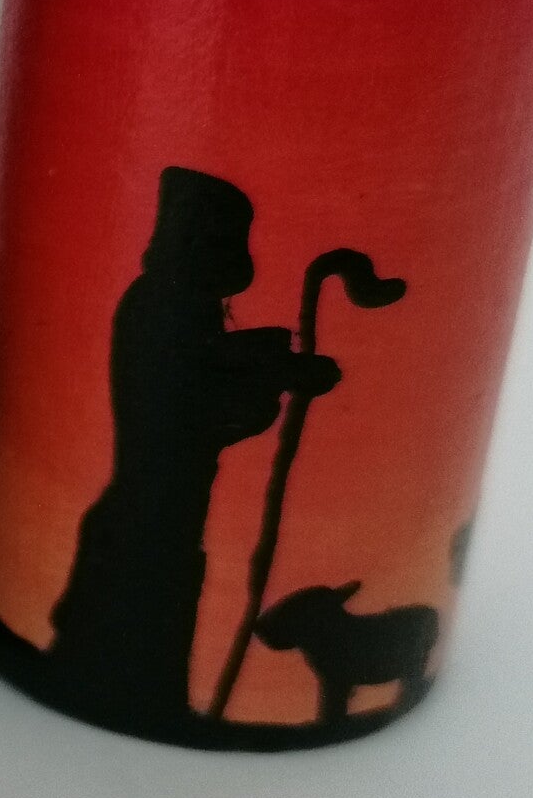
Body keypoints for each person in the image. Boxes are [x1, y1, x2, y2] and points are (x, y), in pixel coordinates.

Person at [49, 167, 341, 731]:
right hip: (154, 498)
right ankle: (125, 690)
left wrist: (271, 365)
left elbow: (208, 369)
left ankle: (146, 696)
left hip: (170, 499)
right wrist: (277, 371)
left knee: (165, 581)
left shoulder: (185, 304)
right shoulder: (162, 303)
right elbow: (187, 392)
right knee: (148, 587)